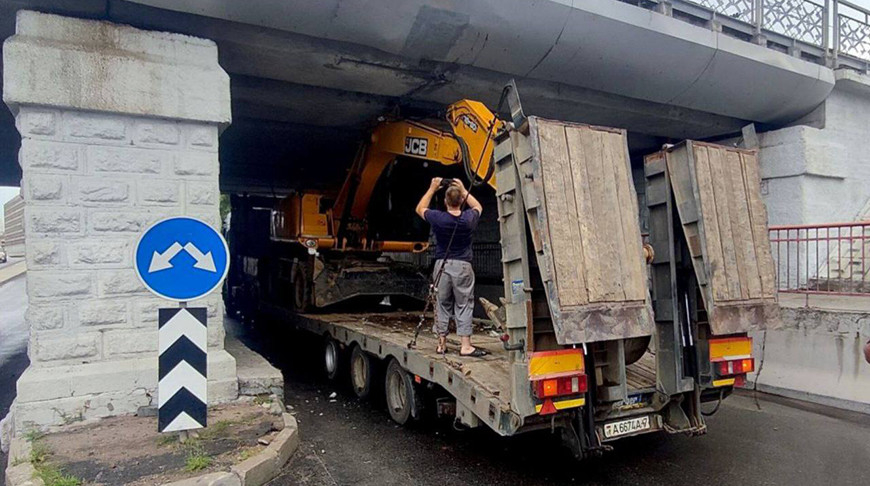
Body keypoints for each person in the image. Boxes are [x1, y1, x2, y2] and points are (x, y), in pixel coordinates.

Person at [415, 177, 488, 357]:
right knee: (464, 304)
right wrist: (464, 190)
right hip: (463, 265)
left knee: (442, 303)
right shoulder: (468, 219)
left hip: (443, 265)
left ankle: (442, 344)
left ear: (446, 201)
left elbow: (420, 208)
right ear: (461, 200)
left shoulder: (438, 218)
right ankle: (466, 346)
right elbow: (478, 207)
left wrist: (432, 188)